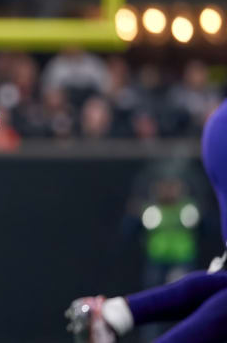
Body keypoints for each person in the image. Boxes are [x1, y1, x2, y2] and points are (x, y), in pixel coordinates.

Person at [66, 99, 227, 343]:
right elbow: (131, 229)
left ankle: (115, 314)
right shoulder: (157, 207)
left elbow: (205, 225)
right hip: (159, 259)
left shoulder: (185, 206)